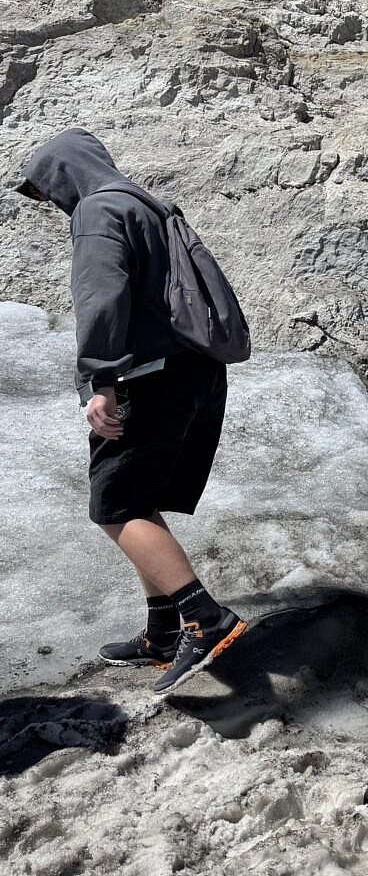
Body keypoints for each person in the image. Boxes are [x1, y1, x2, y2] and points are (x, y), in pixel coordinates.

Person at [14, 129, 246, 694]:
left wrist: (102, 379)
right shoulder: (146, 204)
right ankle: (163, 630)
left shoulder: (98, 211)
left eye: (47, 190)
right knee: (139, 501)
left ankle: (204, 617)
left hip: (147, 377)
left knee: (115, 505)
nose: (51, 202)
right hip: (194, 369)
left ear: (64, 176)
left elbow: (102, 297)